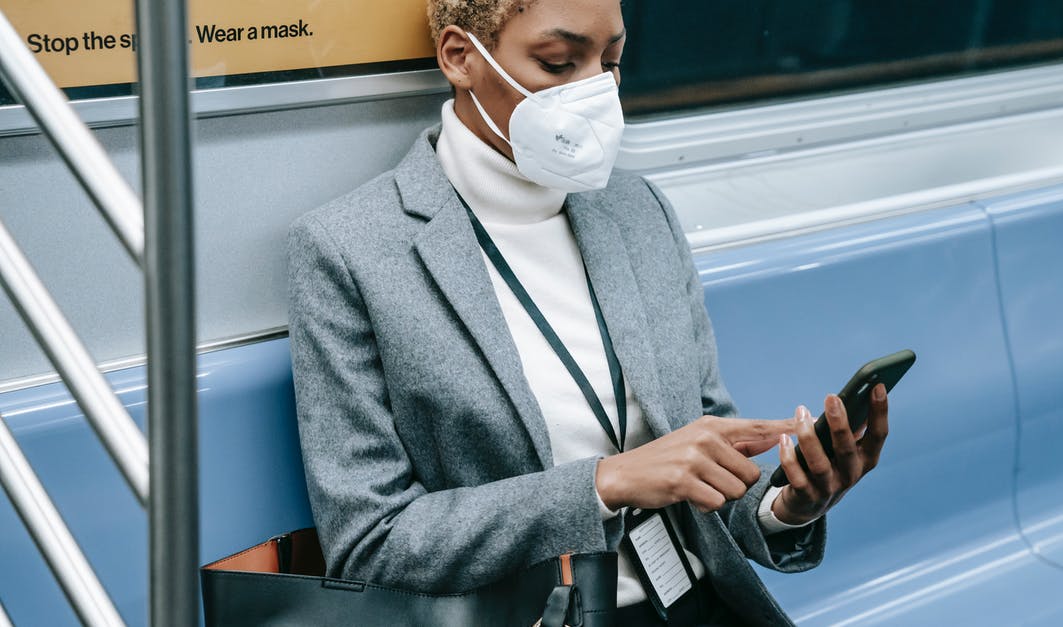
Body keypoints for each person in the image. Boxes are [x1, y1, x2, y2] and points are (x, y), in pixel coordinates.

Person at [287, 0, 889, 624]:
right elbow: (370, 547)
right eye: (558, 62)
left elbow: (703, 455)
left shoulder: (639, 212)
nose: (594, 93)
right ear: (460, 58)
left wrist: (788, 504)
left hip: (696, 604)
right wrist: (604, 485)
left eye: (610, 63)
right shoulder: (349, 250)